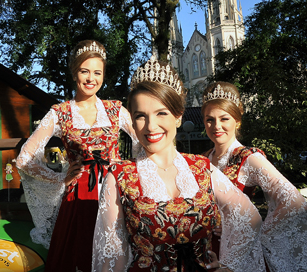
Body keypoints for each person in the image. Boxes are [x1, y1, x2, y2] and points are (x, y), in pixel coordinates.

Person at [92, 57, 265, 272]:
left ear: (178, 116)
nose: (151, 126)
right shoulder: (119, 177)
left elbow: (250, 219)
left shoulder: (201, 167)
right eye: (140, 116)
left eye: (161, 113)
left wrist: (230, 266)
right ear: (133, 123)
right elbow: (112, 257)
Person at [15, 40, 139, 272]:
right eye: (85, 71)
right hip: (78, 197)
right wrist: (59, 179)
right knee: (78, 255)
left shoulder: (115, 110)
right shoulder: (59, 113)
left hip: (114, 193)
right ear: (75, 73)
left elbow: (143, 140)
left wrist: (129, 169)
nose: (91, 78)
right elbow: (24, 159)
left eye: (97, 72)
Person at [201, 81, 307, 272]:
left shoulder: (249, 158)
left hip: (239, 257)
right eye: (210, 119)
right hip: (207, 252)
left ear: (237, 120)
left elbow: (294, 201)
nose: (216, 126)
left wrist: (253, 232)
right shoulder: (203, 159)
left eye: (224, 118)